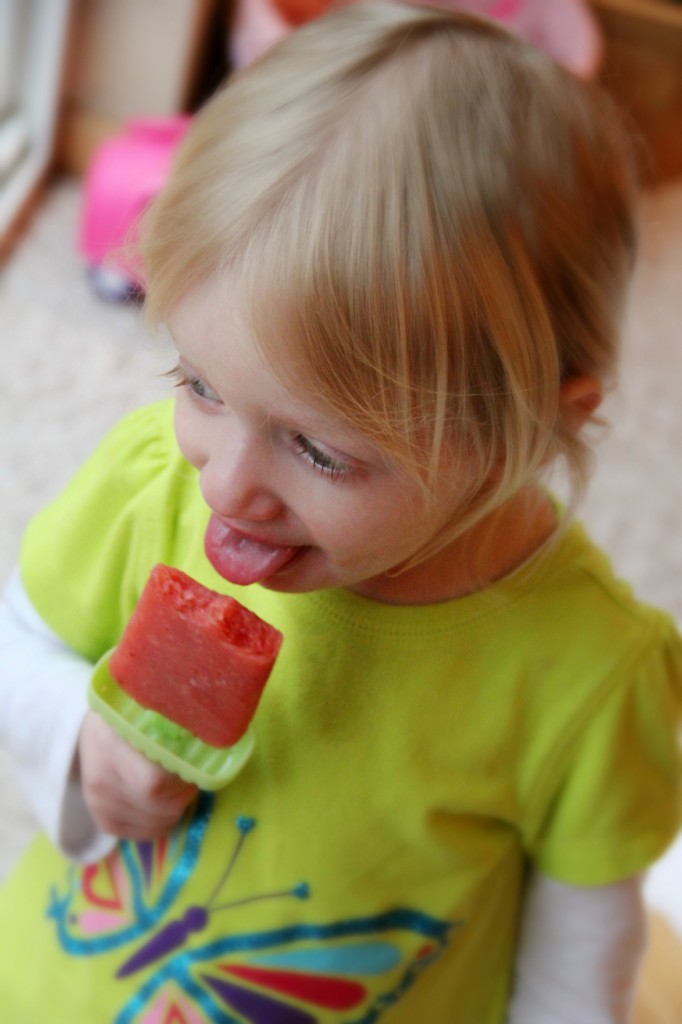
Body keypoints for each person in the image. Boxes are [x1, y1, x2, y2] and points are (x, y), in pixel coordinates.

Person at [0, 4, 680, 1021]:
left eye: (320, 449)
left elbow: (573, 971)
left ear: (532, 430)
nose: (226, 483)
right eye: (200, 382)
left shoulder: (587, 676)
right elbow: (19, 647)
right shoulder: (154, 484)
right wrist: (78, 741)